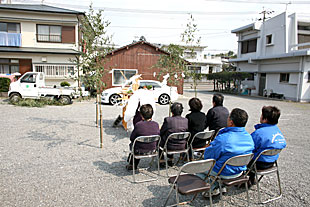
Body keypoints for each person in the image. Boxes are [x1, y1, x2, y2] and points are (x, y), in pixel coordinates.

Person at [200, 108, 254, 196]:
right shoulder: (249, 138)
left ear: (231, 122)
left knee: (197, 169)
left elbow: (208, 156)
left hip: (223, 172)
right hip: (239, 171)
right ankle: (219, 185)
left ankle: (214, 186)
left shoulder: (223, 139)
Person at [248, 106, 287, 185]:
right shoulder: (277, 131)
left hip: (258, 164)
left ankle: (244, 179)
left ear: (265, 119)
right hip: (271, 163)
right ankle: (251, 179)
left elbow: (248, 147)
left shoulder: (259, 133)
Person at [126, 104, 160, 170]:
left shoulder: (138, 125)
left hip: (139, 150)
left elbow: (132, 138)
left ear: (141, 115)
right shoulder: (156, 124)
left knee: (134, 144)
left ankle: (133, 165)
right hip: (153, 149)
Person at [159, 102, 188, 166]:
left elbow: (161, 132)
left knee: (162, 139)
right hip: (182, 145)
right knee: (171, 136)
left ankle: (161, 160)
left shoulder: (168, 120)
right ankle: (170, 159)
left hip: (169, 145)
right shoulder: (186, 120)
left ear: (172, 111)